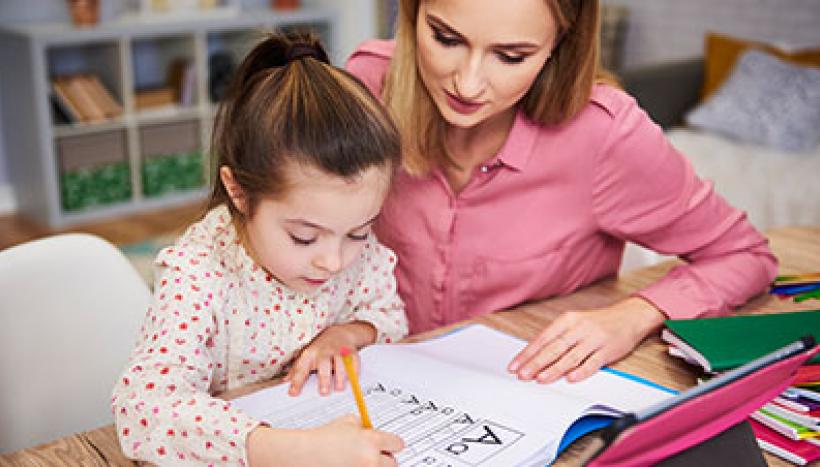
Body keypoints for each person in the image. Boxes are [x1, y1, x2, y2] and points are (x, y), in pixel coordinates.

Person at [346, 0, 777, 386]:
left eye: (511, 56)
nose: (468, 83)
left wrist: (632, 317)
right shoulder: (365, 86)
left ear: (560, 44)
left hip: (524, 391)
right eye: (445, 38)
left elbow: (745, 255)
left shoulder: (605, 135)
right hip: (369, 378)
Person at [112, 32, 408, 466]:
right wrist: (292, 452)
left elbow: (391, 317)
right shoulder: (199, 273)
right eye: (304, 237)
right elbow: (142, 406)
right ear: (239, 193)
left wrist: (348, 334)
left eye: (360, 232)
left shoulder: (346, 245)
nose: (334, 261)